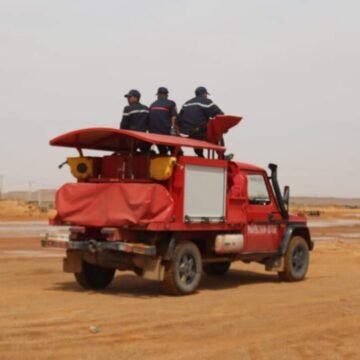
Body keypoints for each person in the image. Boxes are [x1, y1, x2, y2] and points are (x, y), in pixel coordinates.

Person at [178, 86, 224, 157]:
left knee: (197, 131)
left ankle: (200, 155)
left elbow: (179, 119)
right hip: (198, 133)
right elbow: (220, 115)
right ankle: (222, 156)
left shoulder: (186, 103)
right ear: (204, 93)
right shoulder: (207, 101)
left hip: (184, 133)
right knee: (217, 133)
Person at [148, 87, 178, 155]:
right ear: (167, 95)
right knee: (175, 151)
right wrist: (173, 130)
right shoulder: (171, 103)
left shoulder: (152, 104)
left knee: (162, 151)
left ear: (158, 95)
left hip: (154, 133)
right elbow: (174, 117)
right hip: (166, 133)